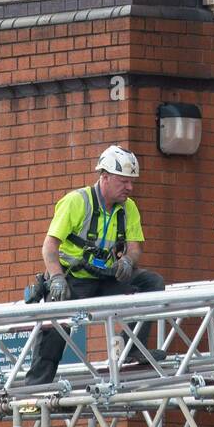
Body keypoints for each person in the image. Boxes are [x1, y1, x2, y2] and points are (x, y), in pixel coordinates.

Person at [25, 146, 166, 386]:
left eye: (131, 182)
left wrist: (129, 261)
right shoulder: (76, 202)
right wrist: (57, 278)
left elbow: (134, 247)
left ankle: (131, 348)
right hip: (74, 278)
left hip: (107, 277)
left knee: (151, 283)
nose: (129, 188)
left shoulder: (128, 208)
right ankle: (37, 383)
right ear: (105, 177)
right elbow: (49, 247)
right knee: (56, 322)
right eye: (124, 181)